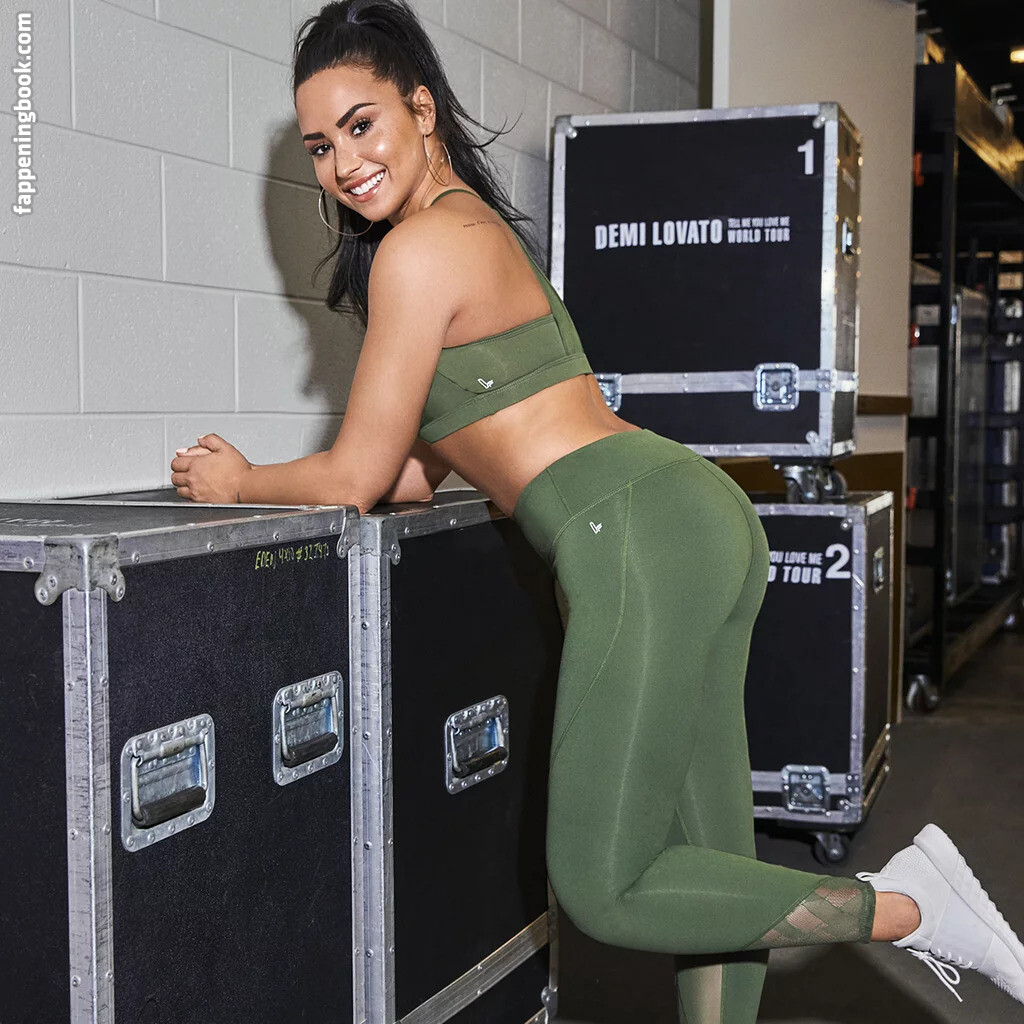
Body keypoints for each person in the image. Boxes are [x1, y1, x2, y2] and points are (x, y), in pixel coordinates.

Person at [169, 2, 1024, 1019]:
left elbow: (356, 475)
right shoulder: (473, 234)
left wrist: (241, 481)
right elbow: (410, 475)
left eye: (362, 124)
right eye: (320, 145)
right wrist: (313, 468)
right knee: (710, 863)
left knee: (602, 882)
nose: (343, 162)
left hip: (634, 535)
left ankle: (906, 907)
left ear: (421, 110)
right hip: (690, 515)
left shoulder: (420, 251)